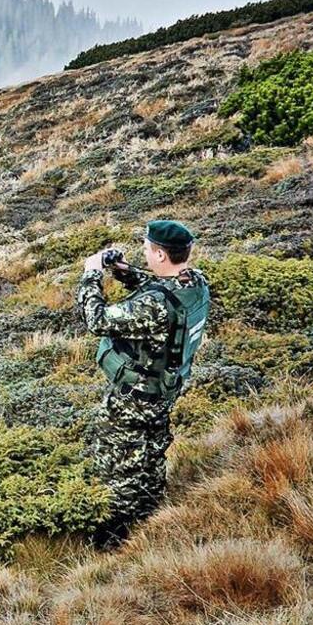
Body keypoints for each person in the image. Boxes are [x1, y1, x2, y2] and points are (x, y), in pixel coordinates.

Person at [77, 220, 210, 550]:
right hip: (164, 389)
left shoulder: (154, 306)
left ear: (161, 255)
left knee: (119, 462)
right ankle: (151, 516)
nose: (145, 253)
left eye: (149, 249)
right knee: (151, 453)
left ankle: (116, 538)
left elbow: (98, 320)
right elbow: (162, 291)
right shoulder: (195, 283)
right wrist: (123, 272)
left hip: (135, 396)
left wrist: (91, 274)